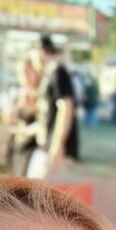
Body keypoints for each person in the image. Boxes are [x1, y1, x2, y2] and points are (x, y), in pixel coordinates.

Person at [28, 35, 78, 179]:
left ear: (40, 52)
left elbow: (66, 107)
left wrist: (58, 144)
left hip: (52, 146)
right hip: (46, 144)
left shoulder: (58, 72)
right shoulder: (50, 73)